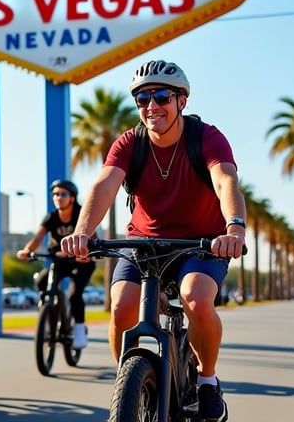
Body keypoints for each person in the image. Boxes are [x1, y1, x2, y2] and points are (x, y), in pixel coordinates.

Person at [60, 60, 247, 422]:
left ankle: (207, 381)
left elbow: (226, 180)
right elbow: (105, 185)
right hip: (144, 243)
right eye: (142, 99)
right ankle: (128, 384)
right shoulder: (131, 143)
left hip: (201, 243)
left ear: (181, 101)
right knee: (121, 307)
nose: (151, 106)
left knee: (196, 299)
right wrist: (83, 231)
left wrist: (234, 229)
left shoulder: (207, 137)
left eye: (161, 96)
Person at [15, 179, 96, 350]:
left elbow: (93, 237)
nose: (58, 197)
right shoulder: (51, 217)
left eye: (63, 194)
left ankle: (79, 329)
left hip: (82, 262)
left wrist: (88, 254)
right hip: (60, 260)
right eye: (55, 194)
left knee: (75, 295)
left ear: (72, 198)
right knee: (41, 282)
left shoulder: (81, 214)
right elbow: (37, 238)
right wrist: (27, 250)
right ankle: (50, 313)